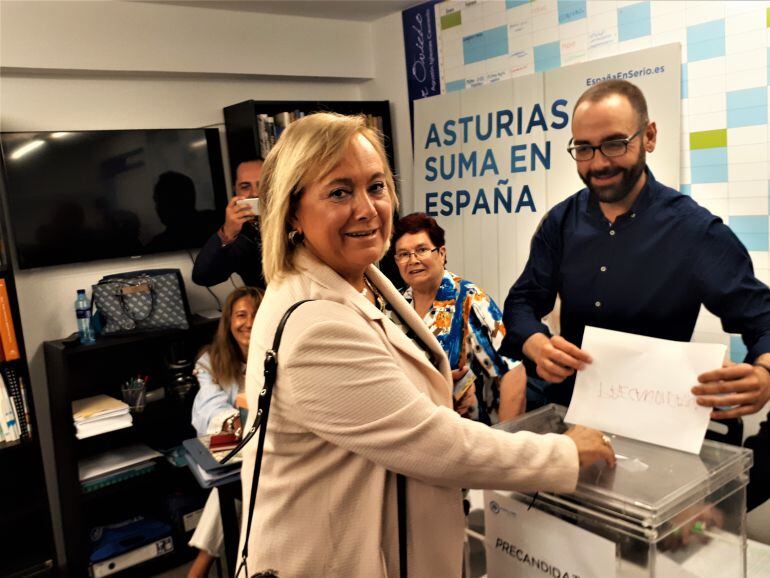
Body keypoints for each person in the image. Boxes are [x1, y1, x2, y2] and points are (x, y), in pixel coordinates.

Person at [239, 111, 615, 577]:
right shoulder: (316, 324)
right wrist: (563, 453)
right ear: (293, 210)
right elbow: (434, 444)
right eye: (339, 191)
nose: (366, 208)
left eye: (376, 187)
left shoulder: (361, 279)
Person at [501, 79, 770, 420]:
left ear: (649, 137)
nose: (598, 164)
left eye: (614, 144)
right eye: (583, 148)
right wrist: (535, 342)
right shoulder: (560, 222)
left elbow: (763, 320)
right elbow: (522, 301)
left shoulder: (695, 231)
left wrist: (764, 373)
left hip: (656, 421)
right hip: (570, 415)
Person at [391, 212, 525, 425]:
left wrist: (507, 439)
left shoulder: (470, 300)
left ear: (441, 253)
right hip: (413, 434)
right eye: (403, 254)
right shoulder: (393, 305)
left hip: (470, 440)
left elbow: (513, 372)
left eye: (422, 250)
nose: (413, 260)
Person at [188, 286, 262, 578]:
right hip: (240, 447)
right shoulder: (210, 360)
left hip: (273, 447)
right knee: (242, 486)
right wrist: (236, 419)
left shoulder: (275, 354)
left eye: (256, 315)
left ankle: (201, 568)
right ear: (229, 320)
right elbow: (208, 408)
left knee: (244, 490)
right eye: (241, 315)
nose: (249, 323)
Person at [192, 160, 266, 289]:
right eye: (245, 186)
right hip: (268, 304)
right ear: (235, 190)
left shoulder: (297, 217)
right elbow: (202, 276)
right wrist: (227, 232)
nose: (255, 193)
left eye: (263, 184)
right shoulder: (240, 233)